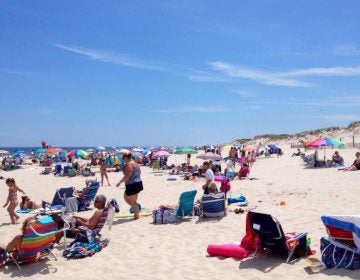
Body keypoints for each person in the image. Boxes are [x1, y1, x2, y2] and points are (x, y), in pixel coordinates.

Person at [116, 152, 143, 220]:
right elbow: (139, 172)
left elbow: (128, 176)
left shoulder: (129, 164)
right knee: (126, 197)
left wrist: (119, 182)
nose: (123, 159)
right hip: (137, 182)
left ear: (126, 157)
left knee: (133, 202)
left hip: (132, 184)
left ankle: (136, 216)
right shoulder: (136, 163)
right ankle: (136, 210)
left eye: (123, 158)